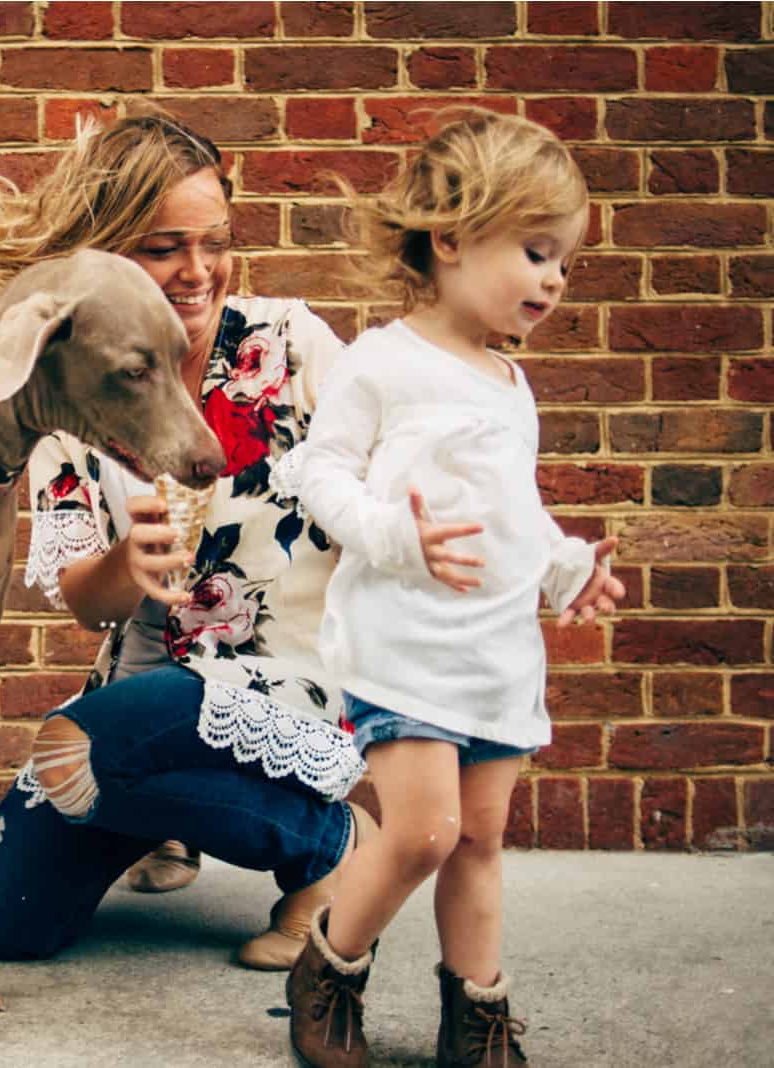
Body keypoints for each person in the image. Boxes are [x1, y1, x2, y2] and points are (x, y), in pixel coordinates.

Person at [0, 109, 374, 971]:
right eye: (164, 245)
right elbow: (81, 601)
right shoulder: (67, 390)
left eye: (213, 240)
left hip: (290, 686)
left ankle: (334, 851)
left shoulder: (293, 345)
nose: (198, 269)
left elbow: (388, 498)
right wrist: (127, 567)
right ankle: (164, 819)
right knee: (2, 925)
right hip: (137, 699)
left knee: (98, 740)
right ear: (108, 248)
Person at [283, 109, 626, 1068]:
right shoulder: (383, 361)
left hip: (495, 650)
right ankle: (328, 966)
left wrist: (567, 570)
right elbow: (318, 477)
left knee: (478, 837)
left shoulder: (513, 386)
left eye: (565, 261)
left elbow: (513, 516)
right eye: (536, 250)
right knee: (424, 832)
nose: (555, 279)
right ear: (452, 239)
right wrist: (398, 536)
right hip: (403, 642)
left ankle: (475, 1016)